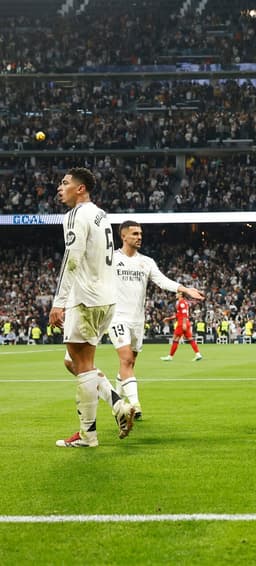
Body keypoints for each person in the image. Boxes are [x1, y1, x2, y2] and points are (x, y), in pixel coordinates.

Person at [51, 166, 136, 448]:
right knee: (72, 362)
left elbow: (72, 259)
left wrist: (59, 301)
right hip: (107, 299)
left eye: (65, 183)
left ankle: (88, 436)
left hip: (85, 299)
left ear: (81, 188)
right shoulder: (101, 215)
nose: (59, 188)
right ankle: (116, 403)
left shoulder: (75, 215)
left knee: (83, 364)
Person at [108, 220, 205, 420]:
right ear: (123, 236)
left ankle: (118, 404)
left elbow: (162, 280)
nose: (139, 237)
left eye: (140, 233)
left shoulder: (146, 262)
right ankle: (134, 406)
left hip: (137, 320)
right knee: (125, 358)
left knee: (129, 363)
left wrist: (185, 289)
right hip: (117, 317)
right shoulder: (110, 259)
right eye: (134, 234)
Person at [160, 290, 203, 361]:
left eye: (177, 293)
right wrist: (169, 318)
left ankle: (170, 356)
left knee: (175, 339)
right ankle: (198, 354)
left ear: (180, 294)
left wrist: (183, 323)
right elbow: (179, 314)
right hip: (186, 322)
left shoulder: (182, 302)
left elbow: (184, 313)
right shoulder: (183, 302)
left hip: (182, 323)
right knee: (190, 339)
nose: (176, 294)